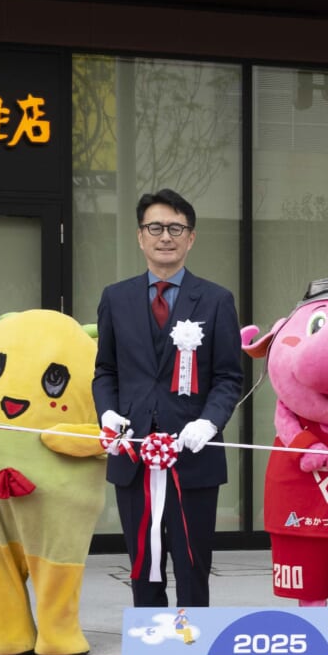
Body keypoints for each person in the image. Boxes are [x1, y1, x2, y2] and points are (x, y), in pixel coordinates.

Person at [93, 189, 244, 609]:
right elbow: (105, 370)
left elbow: (229, 377)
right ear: (141, 237)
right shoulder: (116, 298)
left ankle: (193, 652)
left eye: (176, 228)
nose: (165, 237)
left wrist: (209, 423)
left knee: (193, 564)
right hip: (133, 454)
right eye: (155, 227)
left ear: (191, 238)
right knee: (143, 562)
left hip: (192, 457)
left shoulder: (215, 300)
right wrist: (107, 412)